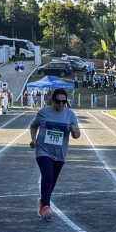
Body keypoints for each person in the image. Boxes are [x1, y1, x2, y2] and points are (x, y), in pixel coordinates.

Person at [29, 88, 80, 221]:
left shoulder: (70, 115)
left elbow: (76, 135)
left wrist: (75, 131)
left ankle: (43, 201)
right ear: (53, 100)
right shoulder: (43, 112)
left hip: (60, 153)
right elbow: (33, 125)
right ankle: (46, 206)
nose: (61, 105)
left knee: (52, 180)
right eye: (59, 102)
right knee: (47, 175)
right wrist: (33, 139)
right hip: (43, 150)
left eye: (64, 102)